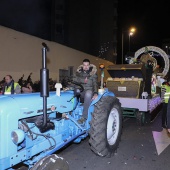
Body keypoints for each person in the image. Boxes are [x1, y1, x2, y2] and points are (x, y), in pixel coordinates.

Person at [72, 59, 98, 123]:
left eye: (87, 65)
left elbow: (95, 84)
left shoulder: (93, 74)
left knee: (88, 93)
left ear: (89, 66)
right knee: (71, 93)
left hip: (89, 91)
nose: (86, 67)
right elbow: (74, 82)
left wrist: (95, 93)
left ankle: (84, 117)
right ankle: (69, 112)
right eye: (84, 65)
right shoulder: (78, 73)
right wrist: (69, 88)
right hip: (81, 91)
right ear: (82, 65)